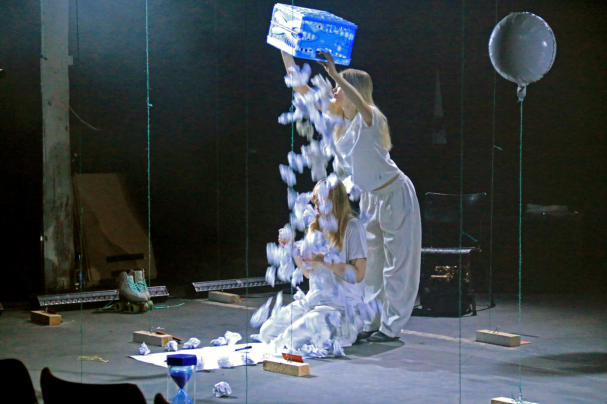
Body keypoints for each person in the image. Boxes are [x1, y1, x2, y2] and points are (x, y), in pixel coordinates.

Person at [281, 50, 422, 342]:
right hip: (371, 198)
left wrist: (335, 74)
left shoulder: (371, 118)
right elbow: (302, 89)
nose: (334, 90)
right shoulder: (337, 121)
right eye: (335, 85)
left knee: (398, 265)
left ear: (354, 90)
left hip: (394, 193)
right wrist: (286, 51)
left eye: (340, 86)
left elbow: (362, 104)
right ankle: (372, 321)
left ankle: (392, 327)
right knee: (373, 265)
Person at [259, 179, 368, 354]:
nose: (315, 201)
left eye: (320, 197)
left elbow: (358, 274)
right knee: (266, 333)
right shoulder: (314, 228)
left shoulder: (352, 227)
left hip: (340, 308)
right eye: (314, 197)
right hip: (312, 302)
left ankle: (342, 331)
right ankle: (317, 333)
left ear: (334, 199)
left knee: (289, 339)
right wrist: (292, 248)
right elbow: (309, 273)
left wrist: (323, 259)